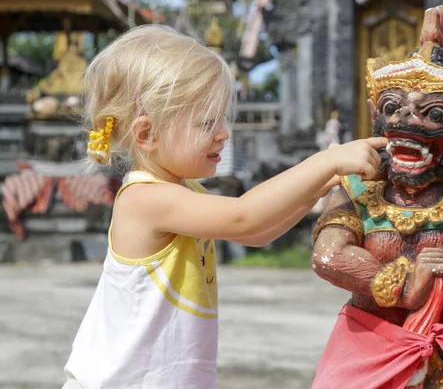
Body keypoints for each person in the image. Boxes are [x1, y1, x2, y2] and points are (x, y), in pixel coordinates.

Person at [62, 25, 387, 389]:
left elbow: (258, 234)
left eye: (221, 120)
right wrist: (325, 162)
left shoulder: (185, 191)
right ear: (146, 134)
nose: (223, 133)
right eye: (206, 123)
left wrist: (316, 188)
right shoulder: (144, 199)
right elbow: (244, 217)